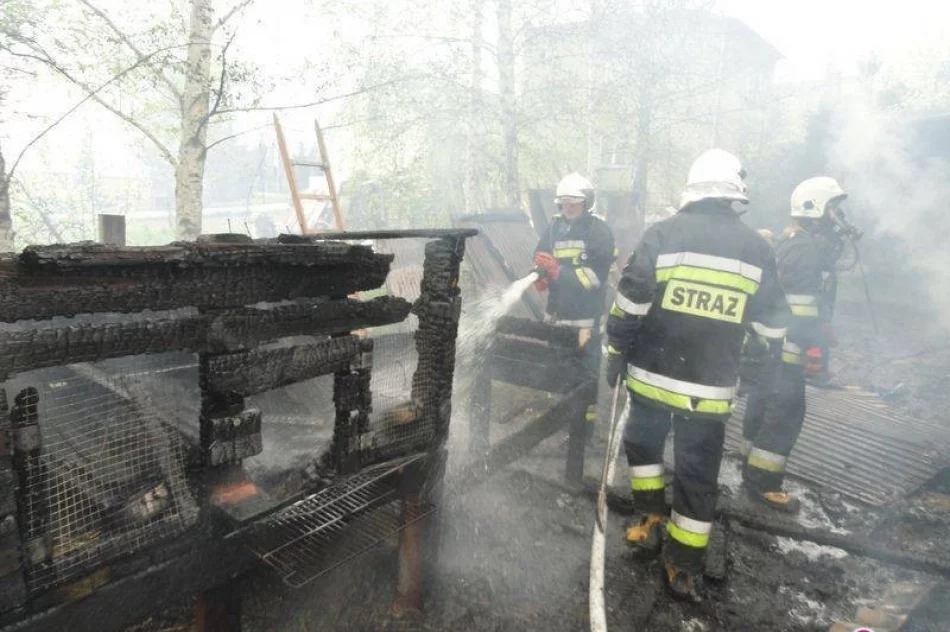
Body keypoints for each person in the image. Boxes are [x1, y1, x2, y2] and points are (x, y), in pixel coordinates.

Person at [604, 149, 789, 601]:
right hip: (709, 392)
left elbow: (630, 304)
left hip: (650, 377)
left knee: (644, 449)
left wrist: (614, 352)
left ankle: (648, 520)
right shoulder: (758, 249)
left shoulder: (663, 234)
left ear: (692, 191)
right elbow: (772, 326)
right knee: (698, 473)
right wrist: (759, 365)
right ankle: (683, 564)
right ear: (734, 196)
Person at [740, 177, 848, 511]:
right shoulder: (806, 250)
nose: (838, 216)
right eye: (833, 208)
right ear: (816, 208)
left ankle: (749, 462)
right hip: (789, 348)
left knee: (762, 401)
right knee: (786, 411)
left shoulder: (793, 243)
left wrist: (823, 327)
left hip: (770, 346)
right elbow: (801, 309)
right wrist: (815, 348)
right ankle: (764, 484)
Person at [533, 172, 616, 439]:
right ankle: (561, 424)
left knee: (585, 377)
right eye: (564, 202)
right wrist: (540, 273)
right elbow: (541, 253)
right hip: (556, 316)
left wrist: (558, 273)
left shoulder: (598, 231)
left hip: (584, 322)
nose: (568, 207)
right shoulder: (555, 226)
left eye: (574, 202)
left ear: (587, 203)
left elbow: (594, 278)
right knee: (559, 373)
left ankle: (584, 432)